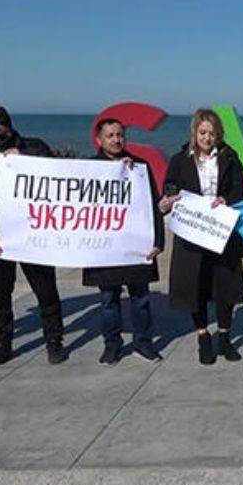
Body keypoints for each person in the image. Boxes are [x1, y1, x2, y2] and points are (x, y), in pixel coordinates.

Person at [0, 104, 66, 367]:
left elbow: (58, 178)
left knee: (46, 290)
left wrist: (23, 160)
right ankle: (2, 345)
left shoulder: (35, 148)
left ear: (9, 126)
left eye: (2, 133)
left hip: (33, 234)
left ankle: (54, 340)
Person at [160, 108, 243, 365]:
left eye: (211, 133)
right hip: (192, 234)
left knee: (225, 286)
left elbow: (241, 186)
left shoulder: (229, 157)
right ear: (194, 132)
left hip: (221, 232)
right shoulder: (180, 160)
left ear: (218, 134)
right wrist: (168, 201)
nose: (207, 138)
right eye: (202, 132)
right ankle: (203, 337)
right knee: (195, 286)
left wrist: (226, 199)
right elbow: (170, 188)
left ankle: (225, 337)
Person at [82, 118, 164, 366]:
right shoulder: (89, 168)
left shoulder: (139, 167)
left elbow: (152, 206)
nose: (116, 140)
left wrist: (158, 240)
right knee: (109, 299)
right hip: (105, 248)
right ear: (99, 140)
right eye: (110, 136)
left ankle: (143, 343)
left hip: (135, 245)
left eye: (120, 135)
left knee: (141, 298)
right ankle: (112, 345)